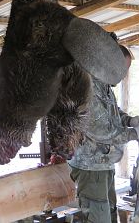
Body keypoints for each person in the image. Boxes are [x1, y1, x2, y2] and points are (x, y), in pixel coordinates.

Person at [68, 44, 139, 223]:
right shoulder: (88, 88)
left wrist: (130, 121)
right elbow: (103, 131)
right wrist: (134, 133)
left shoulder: (104, 87)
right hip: (90, 168)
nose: (123, 75)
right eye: (122, 69)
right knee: (98, 218)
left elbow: (112, 115)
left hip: (103, 165)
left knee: (109, 214)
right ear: (109, 63)